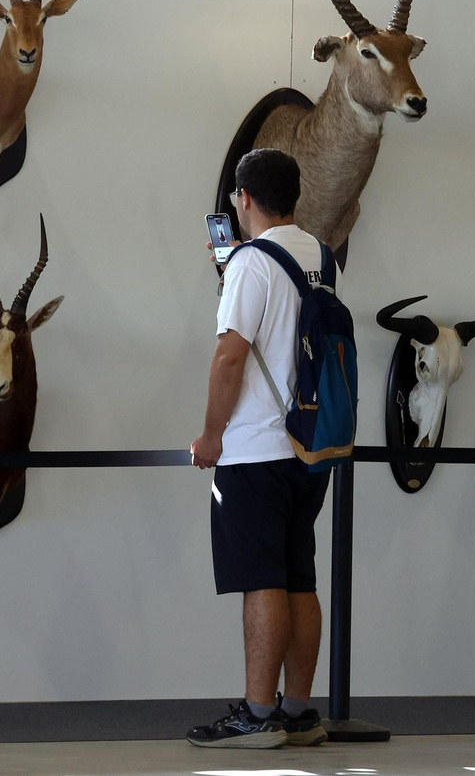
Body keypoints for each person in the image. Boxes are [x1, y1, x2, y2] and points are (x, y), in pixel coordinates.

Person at [187, 148, 334, 750]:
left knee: (261, 578)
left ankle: (256, 714)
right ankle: (298, 712)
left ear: (243, 200)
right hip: (310, 445)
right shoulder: (320, 256)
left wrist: (212, 433)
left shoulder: (251, 263)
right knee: (300, 576)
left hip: (255, 449)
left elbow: (230, 355)